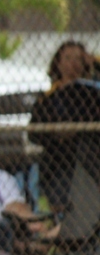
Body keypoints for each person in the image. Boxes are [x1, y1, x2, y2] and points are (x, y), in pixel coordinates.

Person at [30, 40, 100, 213]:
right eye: (68, 58)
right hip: (60, 162)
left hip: (90, 159)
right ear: (58, 63)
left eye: (78, 58)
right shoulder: (48, 97)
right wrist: (57, 134)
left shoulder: (92, 92)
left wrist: (96, 64)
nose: (73, 63)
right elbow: (33, 132)